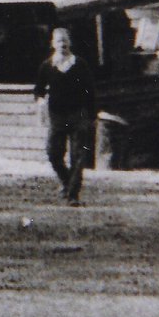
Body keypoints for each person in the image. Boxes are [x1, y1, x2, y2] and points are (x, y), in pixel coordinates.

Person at [34, 27, 96, 205]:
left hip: (78, 115)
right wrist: (40, 102)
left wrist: (91, 115)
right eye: (59, 41)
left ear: (70, 43)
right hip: (57, 116)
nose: (62, 44)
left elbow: (90, 91)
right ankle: (66, 181)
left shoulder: (79, 64)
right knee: (53, 153)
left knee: (78, 155)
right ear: (53, 44)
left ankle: (72, 195)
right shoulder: (47, 66)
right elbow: (38, 90)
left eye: (65, 40)